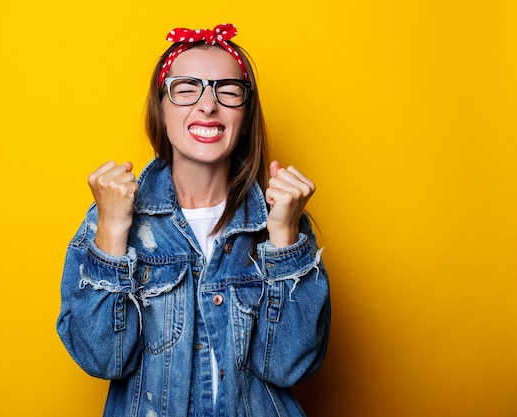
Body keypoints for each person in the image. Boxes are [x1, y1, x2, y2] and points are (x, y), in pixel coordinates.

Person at [57, 23, 331, 417]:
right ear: (161, 106)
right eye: (186, 88)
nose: (207, 105)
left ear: (246, 111)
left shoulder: (282, 222)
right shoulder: (110, 216)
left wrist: (285, 238)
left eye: (228, 90)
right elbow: (101, 359)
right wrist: (113, 231)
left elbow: (290, 366)